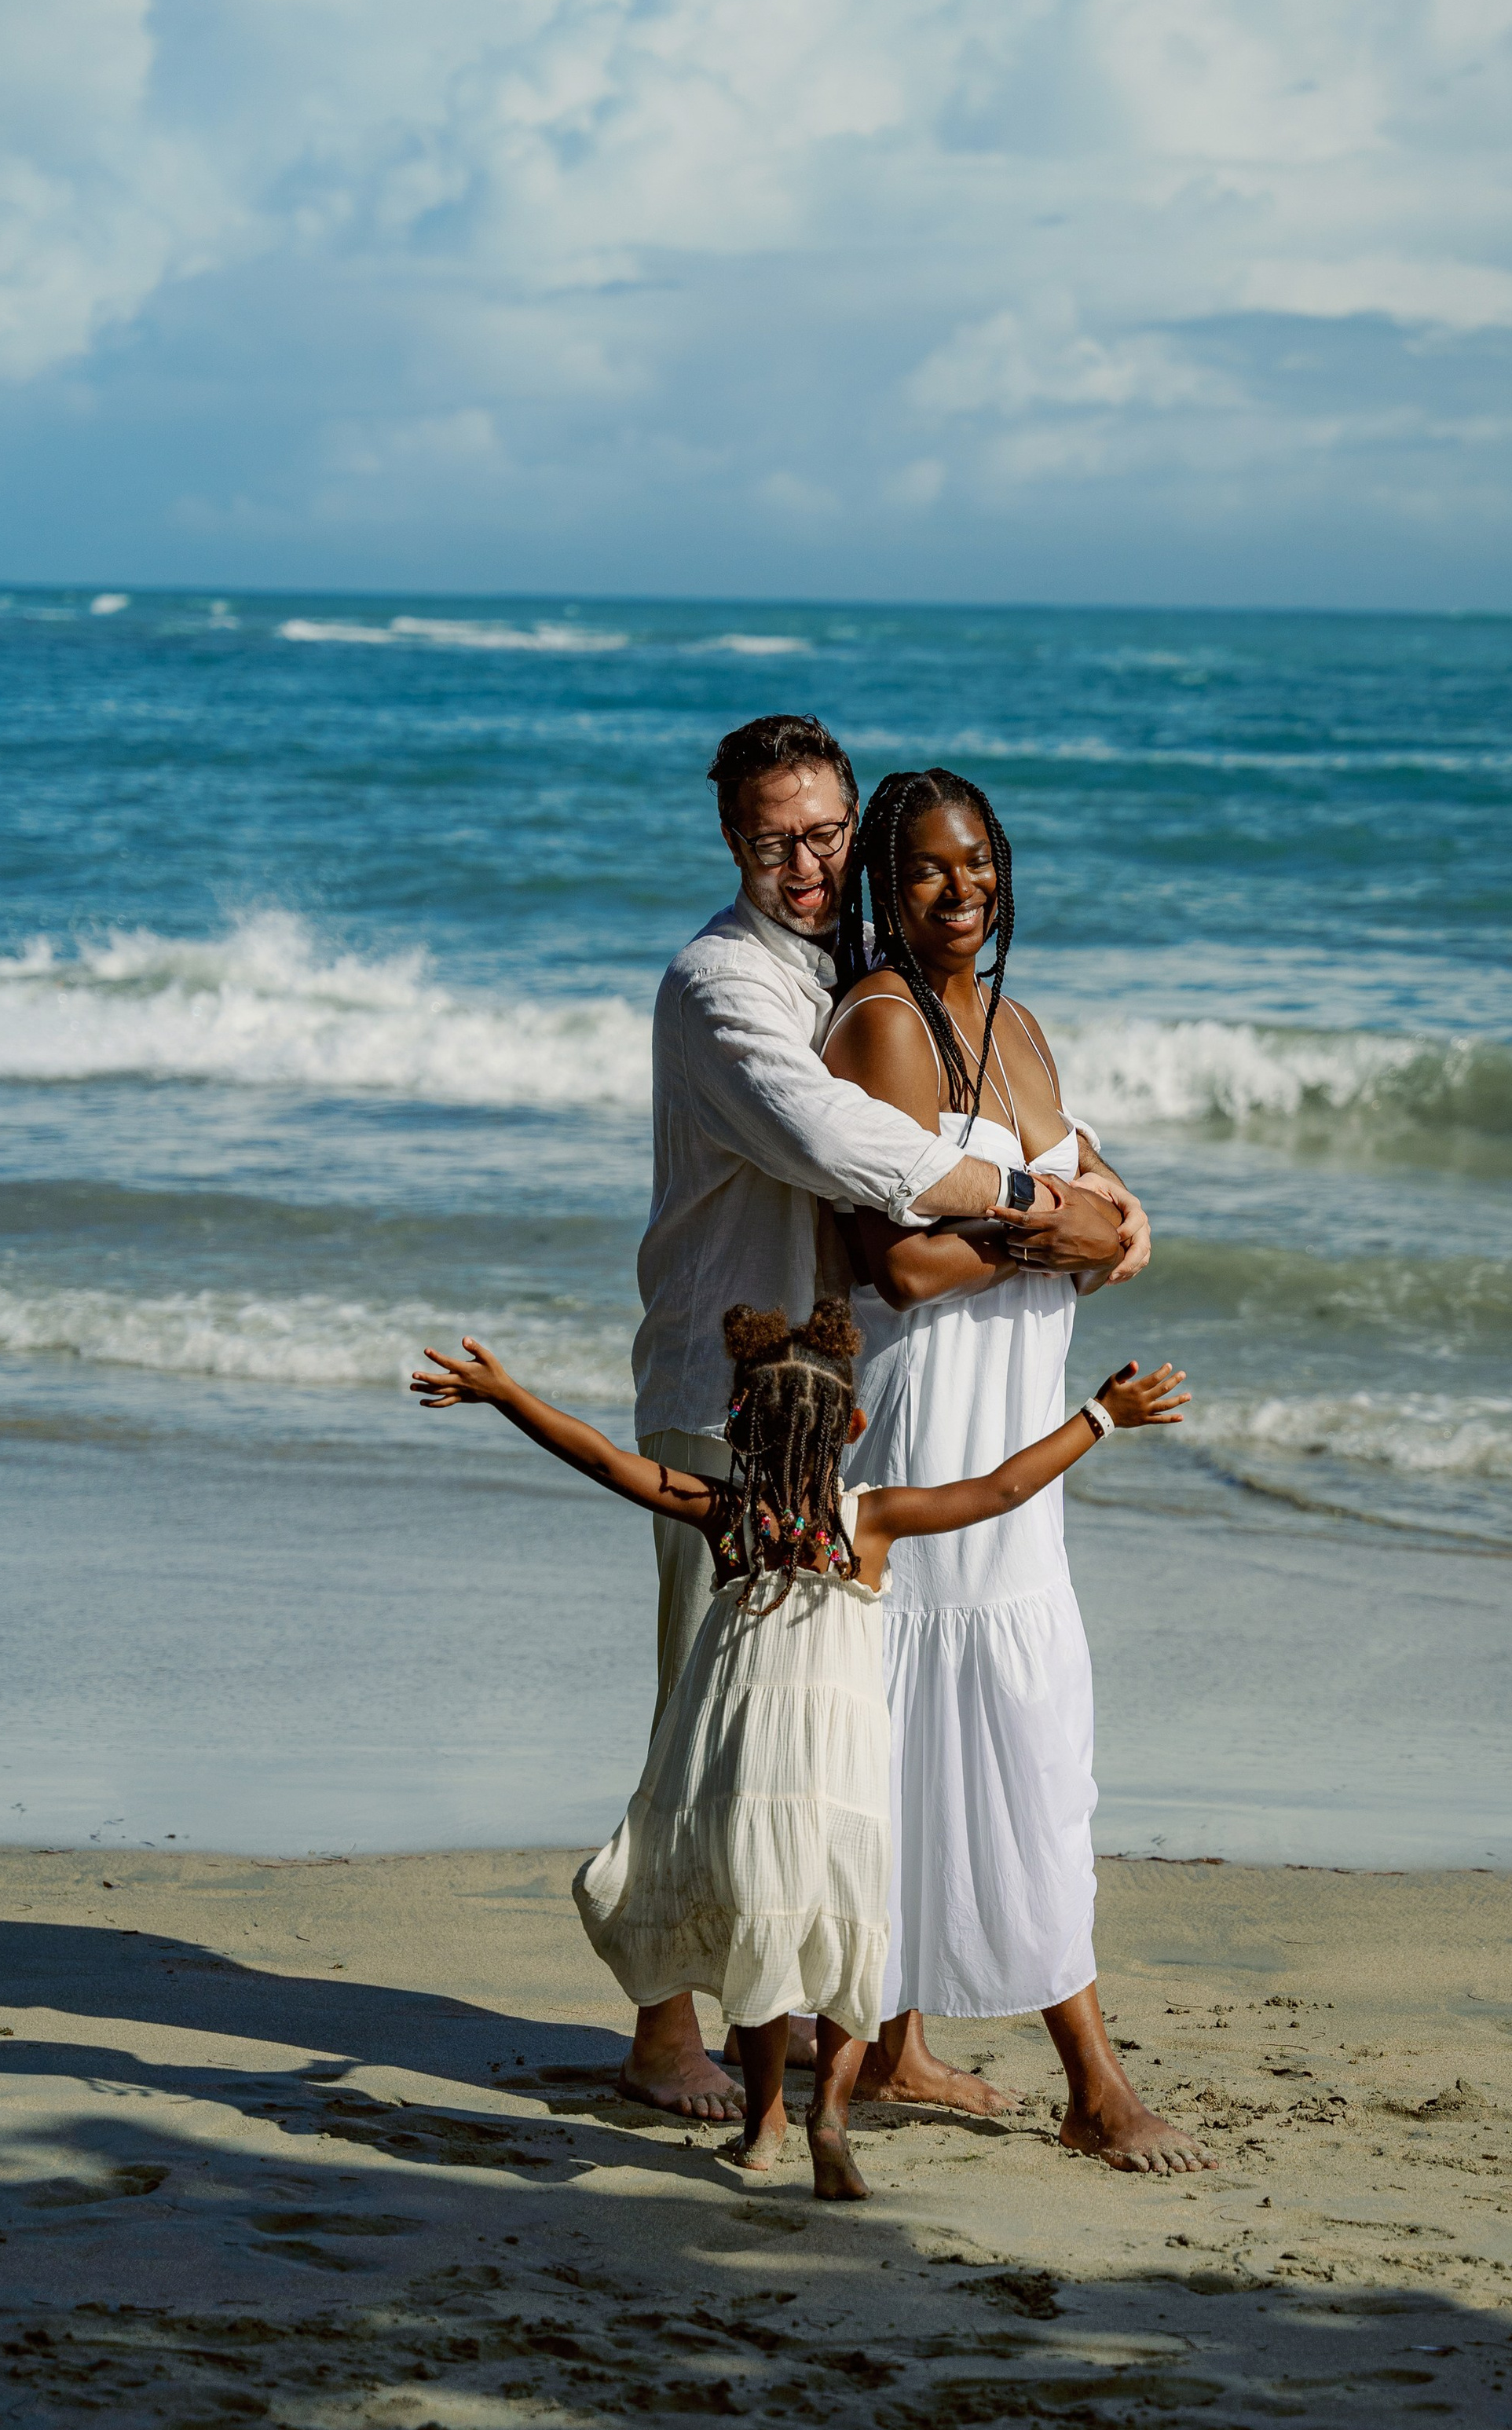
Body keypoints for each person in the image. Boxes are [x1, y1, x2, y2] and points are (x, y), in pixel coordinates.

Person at [624, 713, 1152, 2120]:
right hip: (718, 1391)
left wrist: (1113, 1202)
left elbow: (1029, 1129)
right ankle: (666, 2031)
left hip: (820, 1397)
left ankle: (875, 2032)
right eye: (775, 837)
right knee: (712, 1719)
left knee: (835, 1716)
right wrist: (1047, 1211)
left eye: (824, 833)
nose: (807, 860)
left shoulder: (857, 976)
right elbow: (844, 1153)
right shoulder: (724, 986)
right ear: (732, 838)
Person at [410, 1303, 1189, 2200]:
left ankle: (765, 2124)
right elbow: (1004, 1490)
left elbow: (599, 1457)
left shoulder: (723, 1512)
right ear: (855, 1426)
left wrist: (505, 1391)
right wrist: (1099, 1416)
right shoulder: (869, 1522)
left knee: (767, 1930)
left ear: (737, 1420)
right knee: (850, 1933)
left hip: (746, 1771)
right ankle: (834, 2118)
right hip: (847, 1767)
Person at [826, 767, 1214, 2175]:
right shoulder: (880, 1025)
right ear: (886, 881)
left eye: (980, 861)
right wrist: (1052, 1228)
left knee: (1006, 1729)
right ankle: (1091, 2080)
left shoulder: (1019, 1022)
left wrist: (1083, 1227)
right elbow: (901, 1261)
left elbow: (1110, 1221)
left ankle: (889, 2040)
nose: (963, 888)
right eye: (929, 868)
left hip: (1018, 1408)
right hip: (934, 1416)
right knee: (950, 1718)